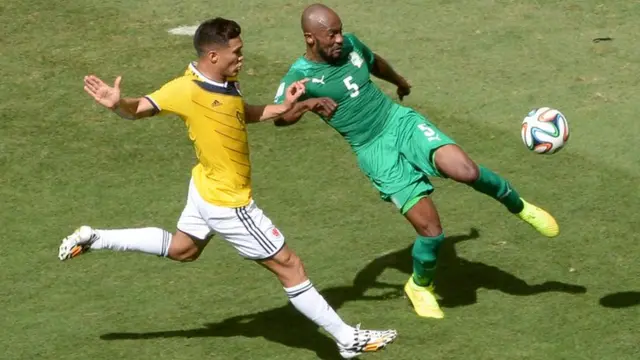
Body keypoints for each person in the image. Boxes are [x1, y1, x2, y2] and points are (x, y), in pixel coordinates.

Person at [59, 17, 396, 358]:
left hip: (204, 187)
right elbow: (139, 109)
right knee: (290, 266)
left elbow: (239, 112)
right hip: (228, 202)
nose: (242, 58)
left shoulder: (227, 82)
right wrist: (118, 103)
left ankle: (95, 237)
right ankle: (347, 338)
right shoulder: (185, 89)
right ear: (213, 55)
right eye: (236, 52)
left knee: (182, 250)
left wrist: (288, 105)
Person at [273, 4, 560, 319]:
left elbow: (374, 62)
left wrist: (399, 80)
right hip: (374, 151)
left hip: (399, 122)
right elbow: (280, 117)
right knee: (432, 232)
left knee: (466, 171)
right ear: (310, 38)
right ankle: (420, 286)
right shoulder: (299, 75)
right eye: (332, 35)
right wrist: (307, 104)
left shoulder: (352, 45)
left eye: (340, 31)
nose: (340, 39)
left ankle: (520, 207)